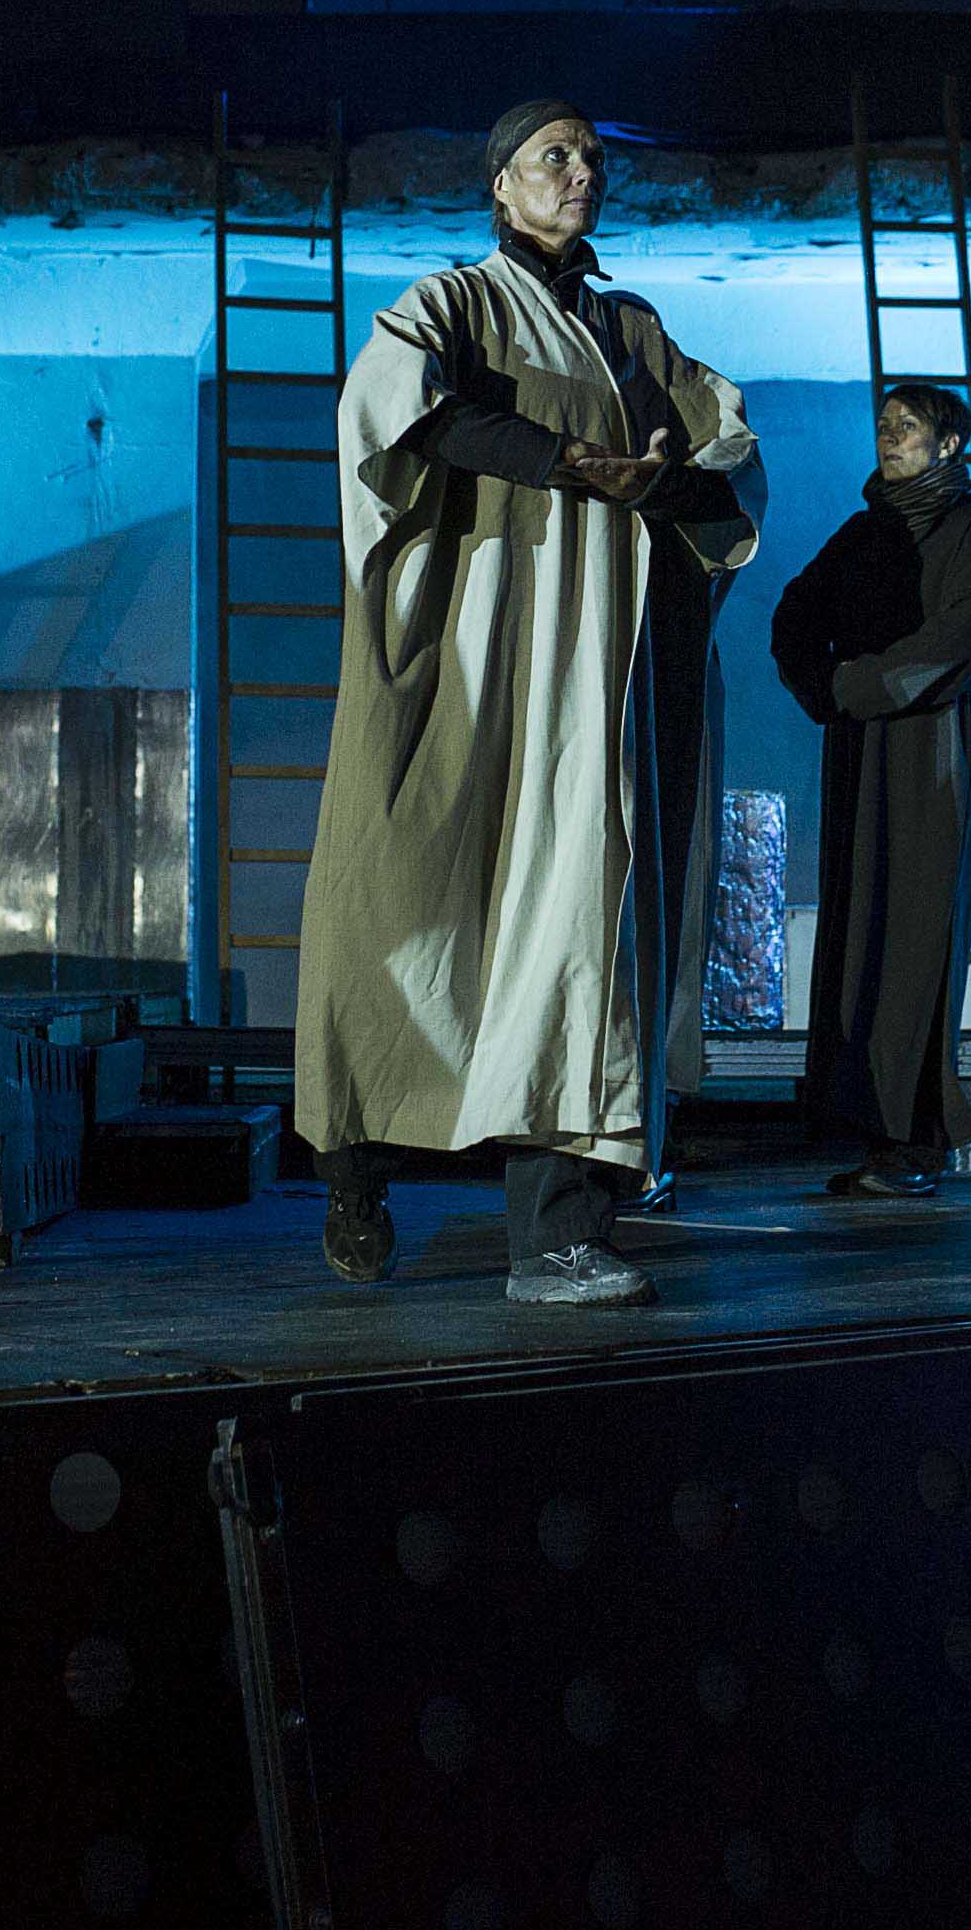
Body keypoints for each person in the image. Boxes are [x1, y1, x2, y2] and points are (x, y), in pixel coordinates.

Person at [296, 97, 763, 1305]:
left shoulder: (630, 327)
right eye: (554, 155)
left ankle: (557, 1233)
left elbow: (723, 450)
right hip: (480, 650)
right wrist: (558, 461)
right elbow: (389, 411)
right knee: (407, 899)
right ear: (499, 184)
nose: (580, 172)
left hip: (598, 681)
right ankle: (354, 1165)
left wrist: (665, 481)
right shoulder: (452, 303)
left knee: (582, 924)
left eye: (592, 157)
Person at [772, 380, 971, 1198]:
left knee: (918, 937)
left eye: (908, 426)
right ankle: (874, 1130)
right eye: (884, 425)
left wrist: (854, 685)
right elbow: (795, 615)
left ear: (950, 444)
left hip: (934, 749)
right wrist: (824, 688)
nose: (890, 437)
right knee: (861, 934)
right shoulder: (863, 532)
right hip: (861, 746)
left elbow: (960, 639)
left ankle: (917, 1139)